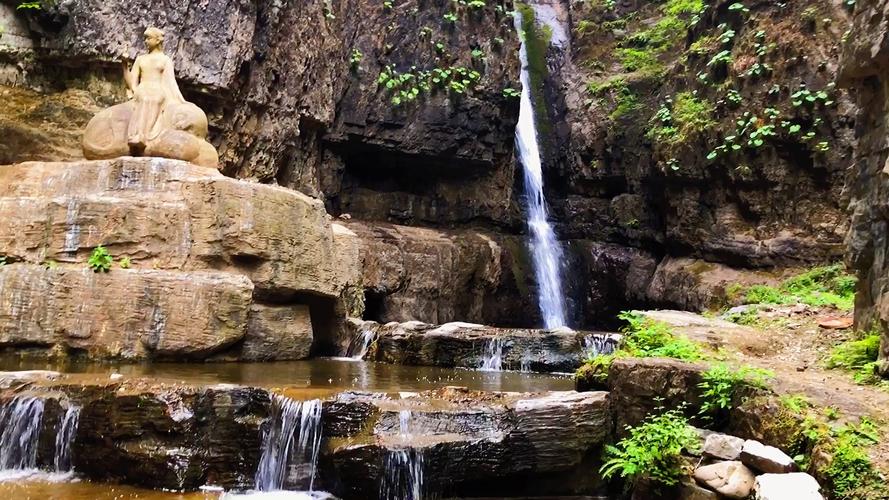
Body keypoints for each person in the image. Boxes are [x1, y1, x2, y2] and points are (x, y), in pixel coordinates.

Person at [122, 27, 186, 152]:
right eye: (145, 38)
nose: (146, 41)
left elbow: (170, 82)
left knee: (154, 99)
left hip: (158, 90)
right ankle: (138, 136)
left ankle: (146, 134)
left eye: (148, 38)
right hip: (143, 88)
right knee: (145, 98)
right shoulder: (141, 59)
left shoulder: (165, 60)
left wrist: (178, 100)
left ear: (157, 40)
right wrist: (124, 65)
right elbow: (132, 82)